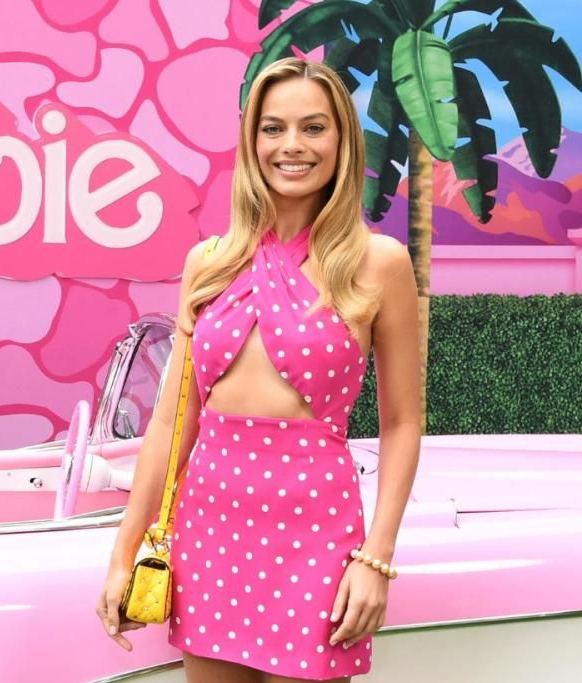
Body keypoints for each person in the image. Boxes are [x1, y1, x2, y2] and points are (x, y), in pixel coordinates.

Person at [96, 57, 421, 683]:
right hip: (209, 530)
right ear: (252, 142)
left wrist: (375, 558)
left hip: (315, 532)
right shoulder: (209, 261)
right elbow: (171, 423)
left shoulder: (380, 263)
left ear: (342, 142)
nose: (292, 145)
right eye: (273, 128)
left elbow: (403, 422)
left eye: (313, 127)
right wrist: (123, 553)